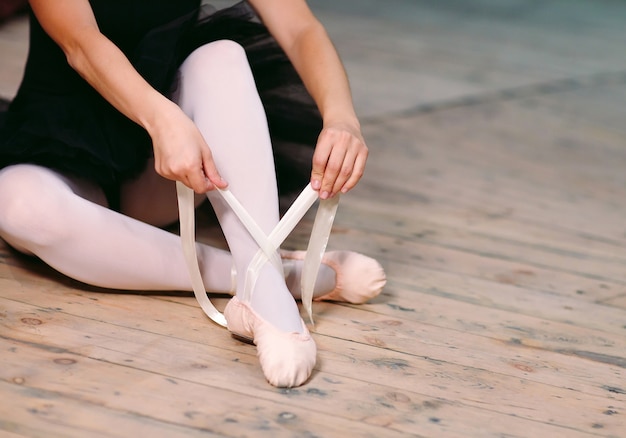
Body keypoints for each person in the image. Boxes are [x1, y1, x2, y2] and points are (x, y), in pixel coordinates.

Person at [0, 0, 386, 387]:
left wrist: (341, 118)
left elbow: (300, 28)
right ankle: (267, 276)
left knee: (222, 57)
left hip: (174, 169)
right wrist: (162, 119)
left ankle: (267, 298)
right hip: (59, 148)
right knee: (17, 203)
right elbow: (80, 42)